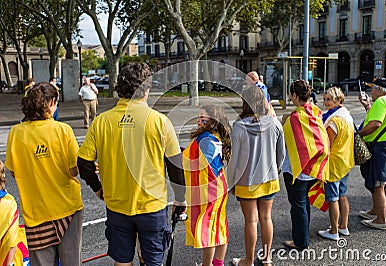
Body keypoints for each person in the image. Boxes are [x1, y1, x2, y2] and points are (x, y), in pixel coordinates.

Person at [77, 62, 186, 266]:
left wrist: (98, 189)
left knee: (123, 260)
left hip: (117, 204)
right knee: (153, 260)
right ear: (146, 89)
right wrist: (180, 198)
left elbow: (84, 163)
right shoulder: (159, 121)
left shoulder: (102, 121)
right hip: (152, 205)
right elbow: (175, 166)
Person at [5, 82, 83, 265]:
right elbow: (74, 170)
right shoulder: (63, 130)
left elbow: (14, 171)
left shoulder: (15, 133)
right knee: (71, 260)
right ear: (50, 103)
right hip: (67, 207)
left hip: (36, 211)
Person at [228, 85, 285, 266]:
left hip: (246, 181)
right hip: (269, 178)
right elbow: (281, 154)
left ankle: (249, 260)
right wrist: (276, 169)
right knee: (266, 218)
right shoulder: (274, 123)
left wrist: (231, 183)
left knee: (251, 220)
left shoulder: (238, 127)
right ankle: (267, 258)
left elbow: (233, 160)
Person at [281, 80, 329, 250]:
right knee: (304, 203)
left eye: (290, 95)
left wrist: (284, 120)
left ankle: (300, 242)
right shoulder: (315, 111)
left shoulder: (295, 118)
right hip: (313, 166)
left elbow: (285, 141)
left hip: (297, 168)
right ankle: (303, 235)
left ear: (294, 95)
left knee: (298, 205)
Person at [183, 105, 231, 266]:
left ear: (212, 120)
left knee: (208, 228)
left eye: (202, 117)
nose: (198, 120)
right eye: (198, 116)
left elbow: (198, 162)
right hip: (218, 185)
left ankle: (207, 264)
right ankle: (218, 262)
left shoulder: (205, 139)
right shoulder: (215, 136)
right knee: (219, 224)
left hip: (210, 189)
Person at [358, 77, 386, 230]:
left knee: (379, 184)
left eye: (372, 88)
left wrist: (360, 134)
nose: (370, 91)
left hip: (382, 148)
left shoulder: (382, 102)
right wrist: (368, 105)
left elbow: (376, 123)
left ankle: (381, 220)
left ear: (379, 90)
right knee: (379, 182)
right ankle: (375, 211)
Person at [317, 87, 354, 240]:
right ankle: (343, 226)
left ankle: (333, 231)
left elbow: (327, 145)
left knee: (332, 198)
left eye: (328, 100)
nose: (325, 102)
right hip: (345, 161)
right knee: (342, 195)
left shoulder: (333, 121)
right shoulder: (346, 115)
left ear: (338, 101)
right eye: (324, 99)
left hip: (334, 163)